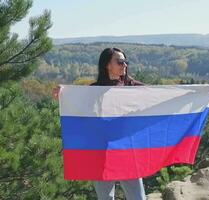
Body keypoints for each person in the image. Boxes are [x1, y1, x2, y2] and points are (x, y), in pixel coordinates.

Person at [52, 47, 146, 200]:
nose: (125, 65)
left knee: (138, 198)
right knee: (105, 198)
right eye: (120, 62)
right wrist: (64, 93)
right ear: (107, 65)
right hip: (101, 152)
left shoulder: (132, 87)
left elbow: (159, 96)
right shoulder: (93, 91)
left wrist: (193, 92)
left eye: (125, 62)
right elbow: (80, 118)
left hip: (126, 152)